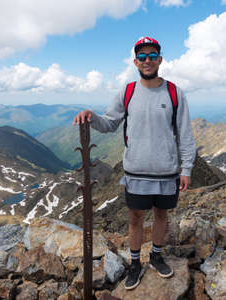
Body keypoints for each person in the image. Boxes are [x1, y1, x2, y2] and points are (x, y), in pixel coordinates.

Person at [73, 36, 196, 290]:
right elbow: (109, 123)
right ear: (135, 62)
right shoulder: (127, 92)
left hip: (166, 171)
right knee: (135, 218)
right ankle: (135, 263)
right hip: (136, 171)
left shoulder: (174, 92)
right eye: (142, 57)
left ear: (160, 60)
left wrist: (186, 169)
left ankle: (157, 256)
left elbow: (185, 133)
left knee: (162, 215)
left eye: (152, 56)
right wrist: (91, 116)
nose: (147, 61)